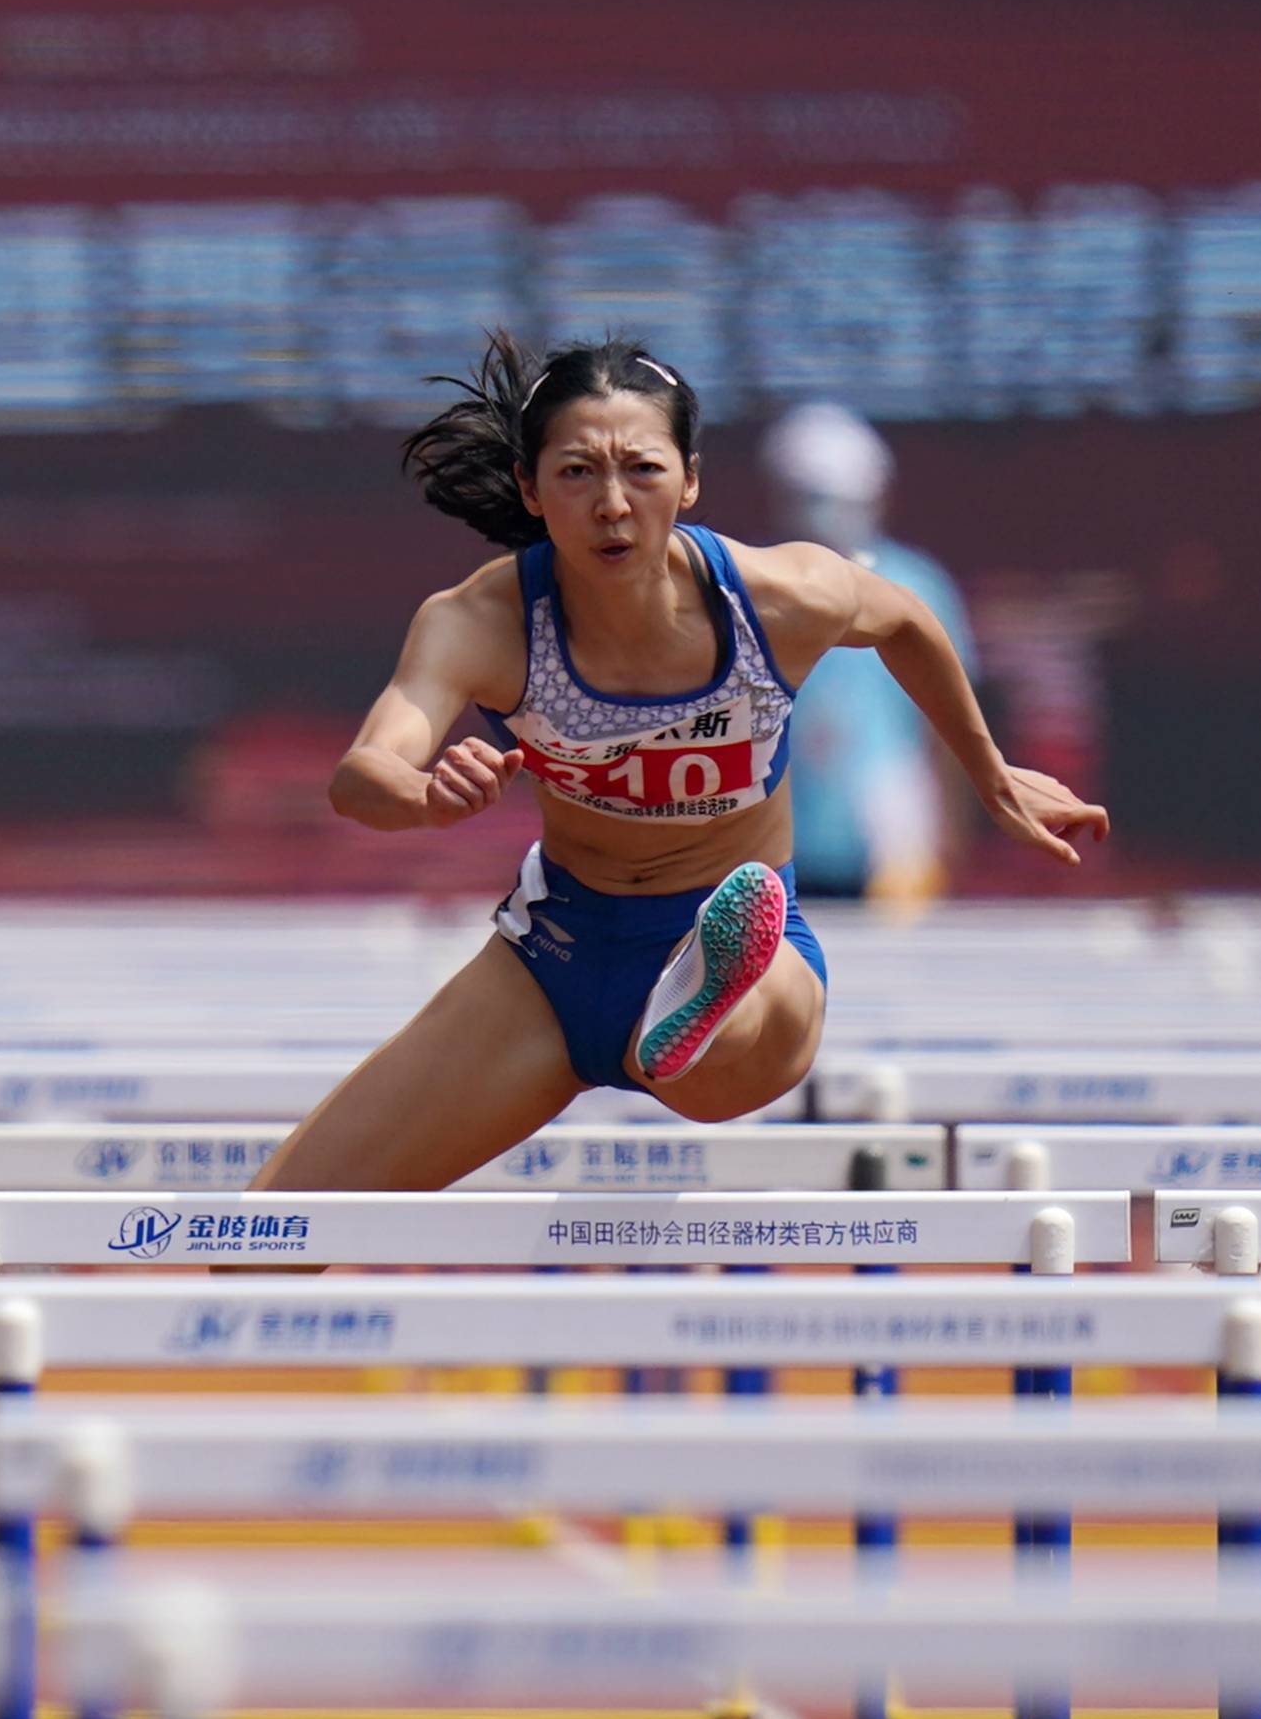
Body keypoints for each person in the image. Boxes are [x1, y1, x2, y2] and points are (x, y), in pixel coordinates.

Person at [251, 332, 1102, 1193]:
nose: (612, 505)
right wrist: (423, 794)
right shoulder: (483, 619)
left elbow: (906, 620)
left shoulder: (776, 596)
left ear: (690, 480)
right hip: (552, 964)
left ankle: (705, 985)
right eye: (578, 472)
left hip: (753, 946)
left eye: (642, 470)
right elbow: (363, 774)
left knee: (731, 1052)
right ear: (529, 488)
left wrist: (992, 776)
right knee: (275, 1224)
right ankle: (678, 1012)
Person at [764, 401, 974, 904]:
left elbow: (948, 723)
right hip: (782, 838)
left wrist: (950, 828)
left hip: (890, 836)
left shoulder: (917, 585)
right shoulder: (756, 584)